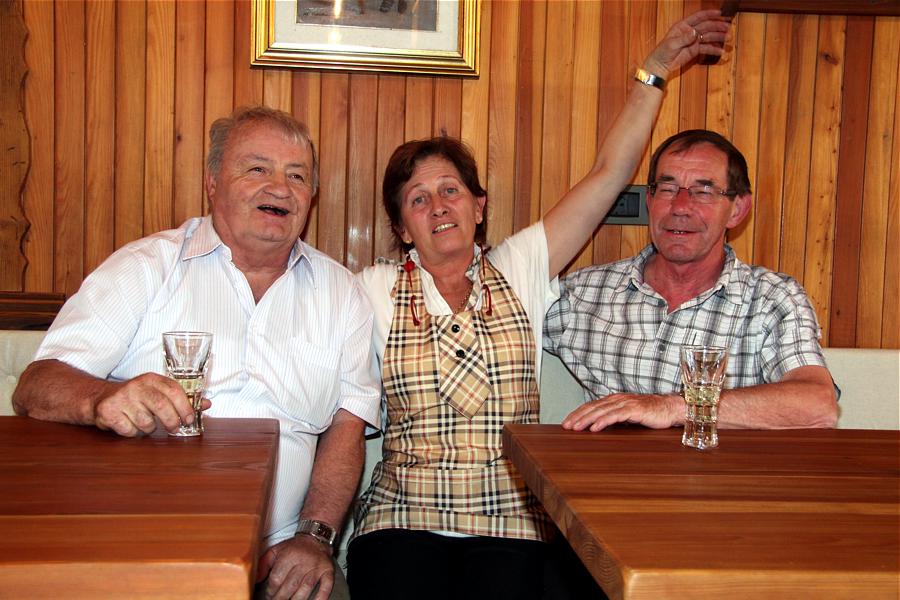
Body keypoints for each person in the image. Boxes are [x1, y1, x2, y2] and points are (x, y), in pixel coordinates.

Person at [345, 11, 732, 600]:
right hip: (402, 515)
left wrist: (653, 72)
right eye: (417, 200)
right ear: (402, 227)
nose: (438, 206)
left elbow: (608, 175)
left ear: (479, 206)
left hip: (512, 520)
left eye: (450, 190)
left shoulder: (520, 265)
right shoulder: (371, 288)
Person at [12, 106, 380, 600]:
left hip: (281, 556)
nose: (280, 188)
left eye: (297, 175)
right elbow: (35, 385)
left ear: (311, 197)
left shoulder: (343, 293)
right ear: (212, 182)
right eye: (257, 168)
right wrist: (101, 398)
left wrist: (314, 538)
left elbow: (347, 425)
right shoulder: (147, 267)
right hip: (144, 546)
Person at [543, 129, 838, 433]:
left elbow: (818, 405)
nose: (681, 207)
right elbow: (509, 311)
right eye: (667, 189)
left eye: (704, 191)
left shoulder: (771, 299)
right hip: (614, 464)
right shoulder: (584, 294)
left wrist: (673, 407)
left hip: (724, 465)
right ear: (650, 200)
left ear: (737, 210)